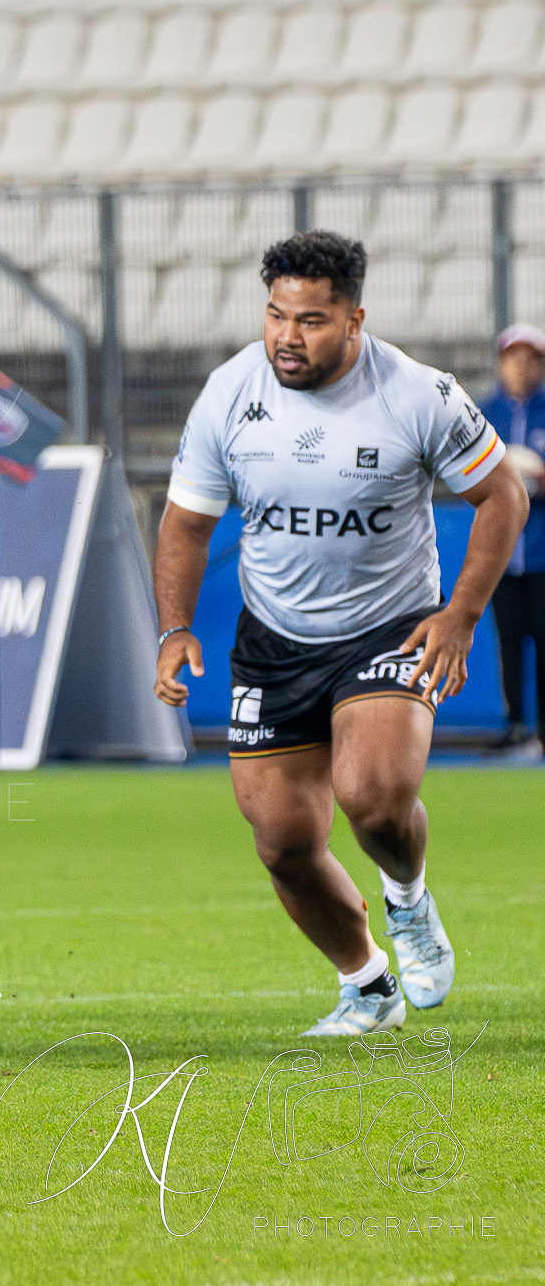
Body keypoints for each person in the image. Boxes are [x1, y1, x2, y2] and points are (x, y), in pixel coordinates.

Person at [153, 232, 526, 1037]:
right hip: (274, 639)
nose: (288, 336)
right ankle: (367, 984)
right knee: (283, 841)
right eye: (276, 315)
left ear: (356, 319)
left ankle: (408, 899)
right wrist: (176, 628)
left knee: (374, 800)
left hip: (388, 628)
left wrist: (459, 616)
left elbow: (504, 498)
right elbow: (184, 523)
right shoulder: (229, 393)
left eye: (312, 320)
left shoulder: (418, 394)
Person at [481, 323, 545, 749]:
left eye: (529, 358)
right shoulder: (485, 413)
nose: (520, 366)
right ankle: (516, 725)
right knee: (508, 644)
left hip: (542, 556)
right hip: (500, 556)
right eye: (512, 357)